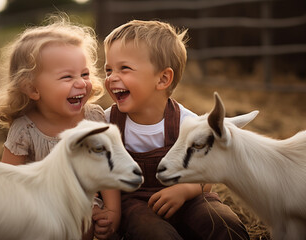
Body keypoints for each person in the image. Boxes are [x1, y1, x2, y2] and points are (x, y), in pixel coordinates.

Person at [92, 20, 250, 240]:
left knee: (224, 225)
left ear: (163, 79)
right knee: (155, 234)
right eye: (108, 69)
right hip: (135, 203)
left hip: (188, 199)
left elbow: (207, 175)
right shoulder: (107, 123)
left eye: (124, 68)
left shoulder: (187, 122)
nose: (111, 77)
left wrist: (183, 191)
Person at [0, 13, 105, 240]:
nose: (81, 82)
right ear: (32, 89)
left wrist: (113, 211)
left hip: (83, 202)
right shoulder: (24, 131)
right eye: (67, 77)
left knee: (83, 223)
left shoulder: (94, 119)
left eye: (85, 74)